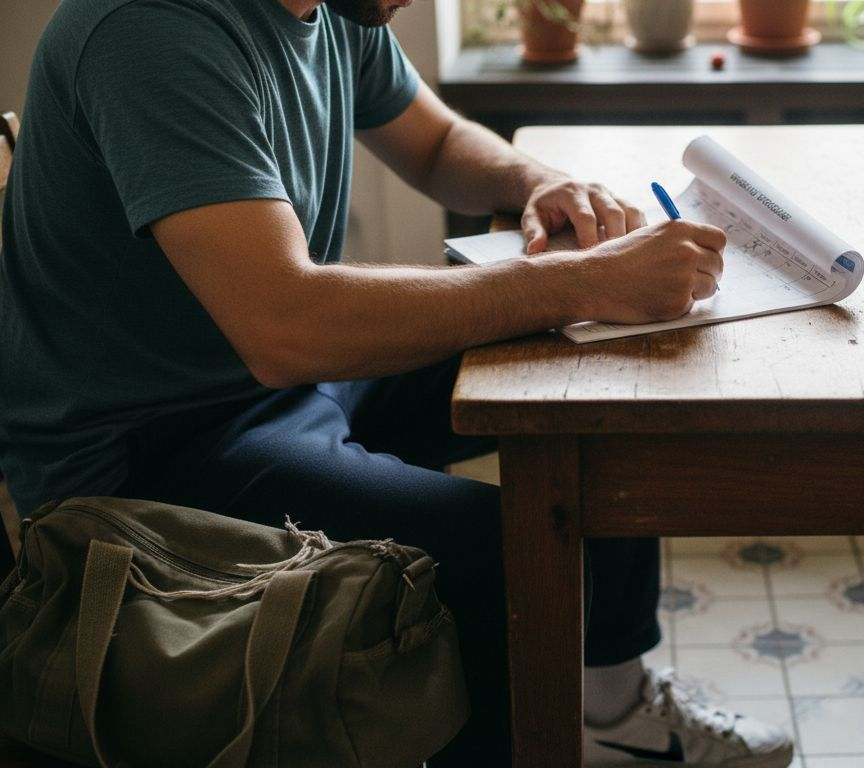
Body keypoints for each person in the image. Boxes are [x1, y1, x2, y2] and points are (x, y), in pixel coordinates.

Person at [0, 0, 795, 764]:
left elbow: (439, 144)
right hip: (146, 456)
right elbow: (284, 326)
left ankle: (611, 716)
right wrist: (582, 282)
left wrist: (538, 183)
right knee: (504, 551)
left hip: (276, 378)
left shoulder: (334, 9)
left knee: (594, 377)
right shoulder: (149, 30)